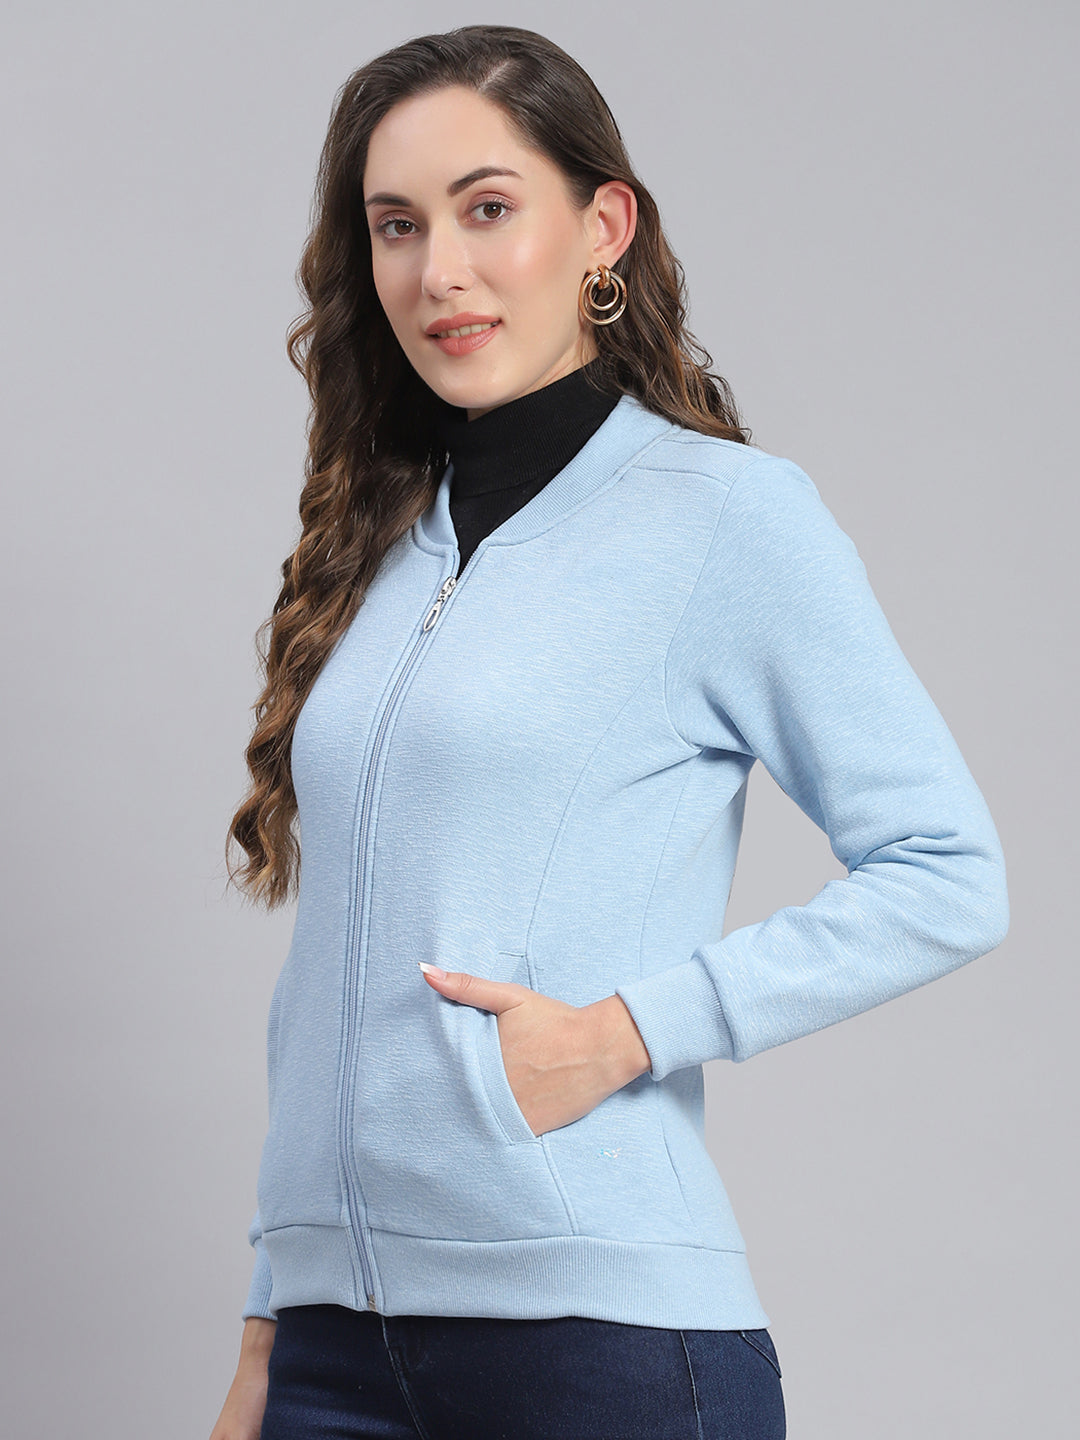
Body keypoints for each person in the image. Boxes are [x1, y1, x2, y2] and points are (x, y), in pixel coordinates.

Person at [208, 23, 1009, 1440]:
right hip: (332, 1354)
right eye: (397, 226)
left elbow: (949, 874)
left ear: (603, 230)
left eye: (488, 208)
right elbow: (326, 975)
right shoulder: (369, 550)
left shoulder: (727, 521)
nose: (439, 271)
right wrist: (273, 1321)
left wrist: (625, 1034)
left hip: (595, 1349)